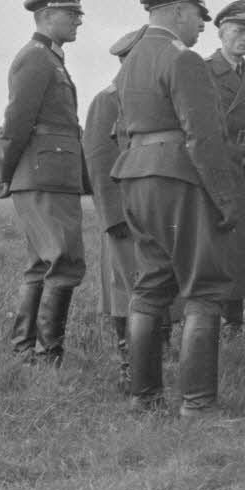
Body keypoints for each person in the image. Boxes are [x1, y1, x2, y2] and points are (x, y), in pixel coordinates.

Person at [111, 0, 245, 418]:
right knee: (204, 287)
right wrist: (227, 199)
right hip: (178, 178)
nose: (204, 24)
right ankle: (197, 404)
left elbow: (120, 129)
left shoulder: (130, 60)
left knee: (150, 285)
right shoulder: (183, 59)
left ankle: (144, 396)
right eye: (198, 14)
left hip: (135, 176)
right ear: (177, 11)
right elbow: (203, 136)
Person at [0, 0, 89, 367]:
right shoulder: (36, 58)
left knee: (42, 265)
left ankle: (25, 351)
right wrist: (6, 170)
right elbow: (17, 121)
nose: (79, 20)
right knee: (63, 262)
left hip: (50, 174)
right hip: (44, 174)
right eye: (72, 13)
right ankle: (48, 356)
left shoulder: (49, 58)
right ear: (47, 16)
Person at [82, 26, 146, 392]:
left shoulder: (146, 99)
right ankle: (128, 365)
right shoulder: (107, 101)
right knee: (124, 290)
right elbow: (98, 163)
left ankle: (151, 356)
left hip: (150, 212)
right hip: (122, 216)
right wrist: (112, 217)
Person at [205, 0, 245, 340]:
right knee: (213, 245)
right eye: (239, 31)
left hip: (243, 169)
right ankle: (207, 319)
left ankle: (234, 321)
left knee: (240, 246)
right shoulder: (203, 69)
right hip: (214, 166)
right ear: (222, 33)